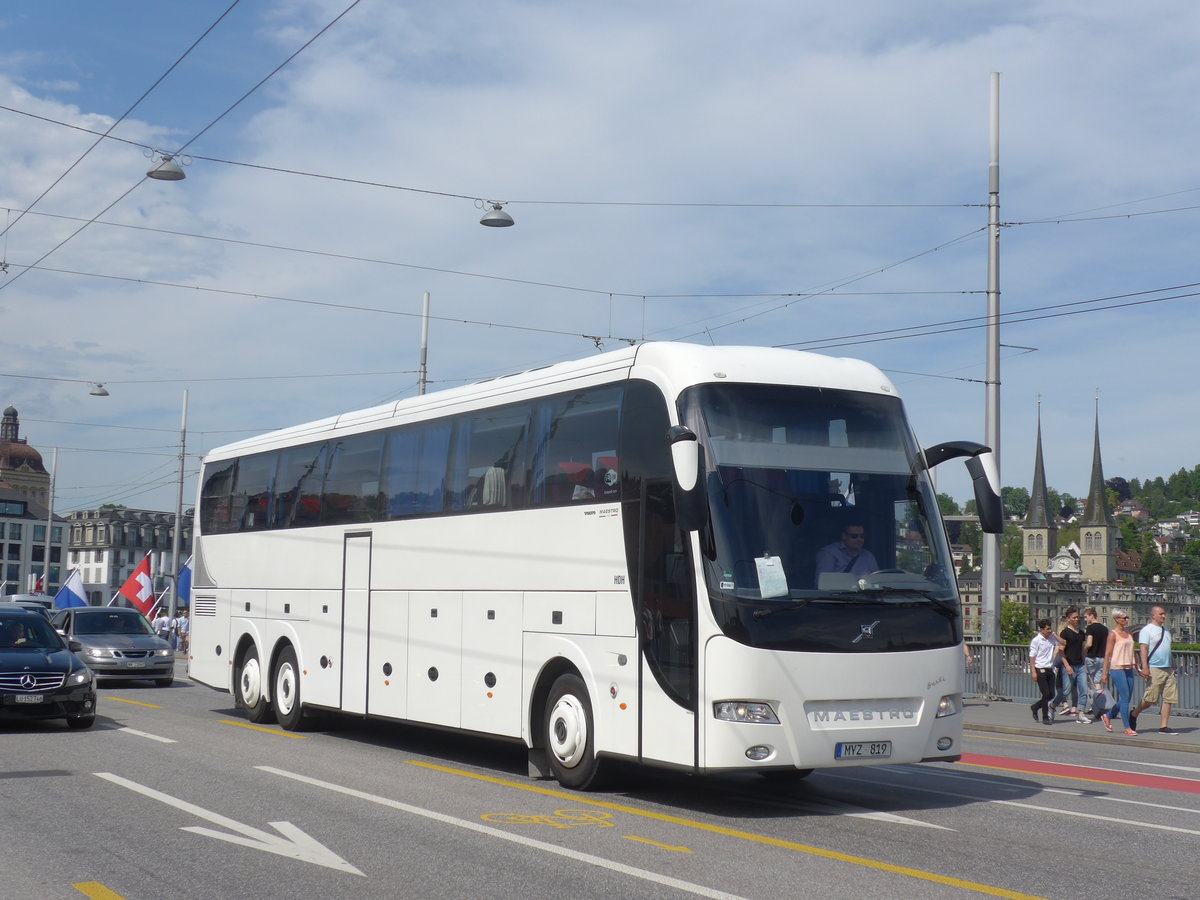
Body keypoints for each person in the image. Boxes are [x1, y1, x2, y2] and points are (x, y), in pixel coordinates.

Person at [1129, 605, 1179, 735]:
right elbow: (1143, 649)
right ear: (1153, 615)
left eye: (1164, 614)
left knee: (1169, 697)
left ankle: (1163, 726)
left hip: (1168, 668)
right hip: (1154, 667)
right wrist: (1145, 667)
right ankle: (1134, 713)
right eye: (1161, 614)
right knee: (1151, 698)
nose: (1164, 616)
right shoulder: (1147, 630)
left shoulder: (1166, 631)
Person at [1100, 608, 1137, 735]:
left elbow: (1131, 651)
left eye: (1127, 617)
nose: (1126, 620)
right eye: (1123, 618)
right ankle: (1127, 727)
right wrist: (1104, 673)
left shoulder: (1129, 633)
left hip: (1128, 667)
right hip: (1117, 667)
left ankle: (1108, 715)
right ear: (1117, 619)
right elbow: (1108, 654)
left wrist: (1137, 665)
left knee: (1127, 698)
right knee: (1125, 697)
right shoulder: (1113, 634)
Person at [1052, 607, 1089, 723]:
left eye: (1078, 617)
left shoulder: (1082, 633)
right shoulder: (1065, 633)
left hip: (1080, 665)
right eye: (1074, 617)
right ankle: (1052, 706)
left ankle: (1081, 713)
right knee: (1066, 691)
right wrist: (1067, 666)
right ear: (1068, 619)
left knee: (1084, 690)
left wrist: (1084, 664)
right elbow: (1061, 651)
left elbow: (1083, 650)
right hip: (1069, 665)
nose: (1077, 619)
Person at [814, 524, 879, 583]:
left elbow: (878, 581)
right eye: (854, 536)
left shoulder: (868, 555)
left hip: (865, 595)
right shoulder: (829, 553)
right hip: (837, 595)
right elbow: (821, 583)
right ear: (844, 536)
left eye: (862, 536)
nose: (859, 539)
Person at [1028, 619, 1060, 725]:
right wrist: (1033, 671)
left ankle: (1035, 707)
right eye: (1047, 629)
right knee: (1046, 694)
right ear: (1041, 629)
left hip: (1050, 668)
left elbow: (1062, 643)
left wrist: (1054, 654)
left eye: (1050, 628)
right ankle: (1045, 717)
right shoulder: (1036, 640)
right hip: (1040, 668)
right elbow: (1032, 657)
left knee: (1051, 694)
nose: (1050, 631)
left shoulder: (1051, 638)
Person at [1083, 607, 1108, 717]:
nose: (1085, 619)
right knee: (1097, 683)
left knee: (1091, 683)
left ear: (1091, 615)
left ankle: (1095, 706)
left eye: (1086, 617)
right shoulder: (1104, 629)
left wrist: (1083, 649)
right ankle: (1101, 704)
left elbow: (1089, 643)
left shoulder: (1090, 628)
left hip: (1092, 657)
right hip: (1102, 658)